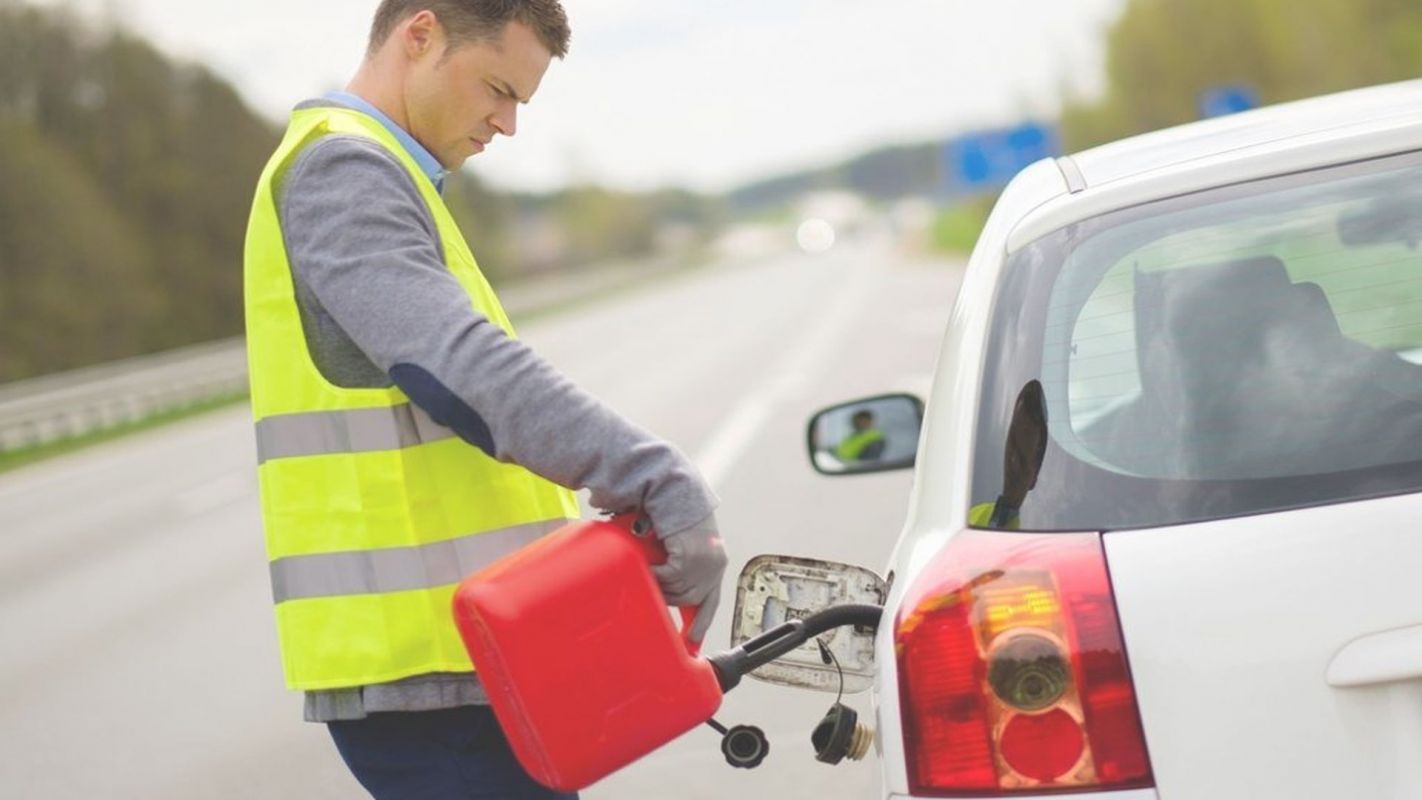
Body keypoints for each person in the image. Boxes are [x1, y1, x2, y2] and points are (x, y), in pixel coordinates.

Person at [241, 2, 727, 798]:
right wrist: (652, 473)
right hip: (425, 676)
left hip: (471, 661)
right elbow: (461, 369)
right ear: (421, 35)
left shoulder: (388, 173)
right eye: (497, 89)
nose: (506, 125)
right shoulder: (344, 172)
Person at [969, 380, 1048, 529]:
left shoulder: (1032, 531)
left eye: (1022, 456)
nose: (1013, 461)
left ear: (1036, 472)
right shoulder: (972, 517)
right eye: (1012, 444)